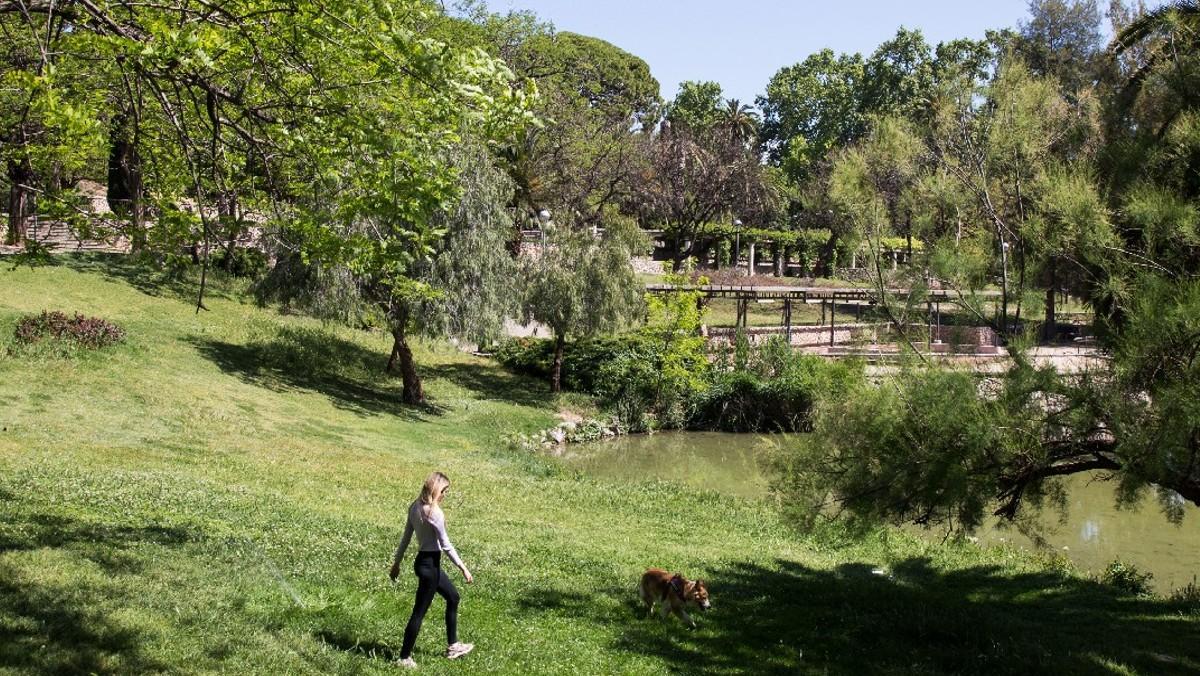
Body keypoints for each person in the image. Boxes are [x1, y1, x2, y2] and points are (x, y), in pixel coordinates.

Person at [390, 471, 474, 668]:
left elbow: (405, 538)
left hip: (423, 563)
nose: (445, 495)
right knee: (418, 613)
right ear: (436, 490)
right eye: (444, 491)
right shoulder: (434, 513)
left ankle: (453, 645)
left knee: (453, 597)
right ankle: (404, 658)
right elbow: (446, 545)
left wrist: (397, 563)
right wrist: (463, 568)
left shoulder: (414, 507)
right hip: (430, 566)